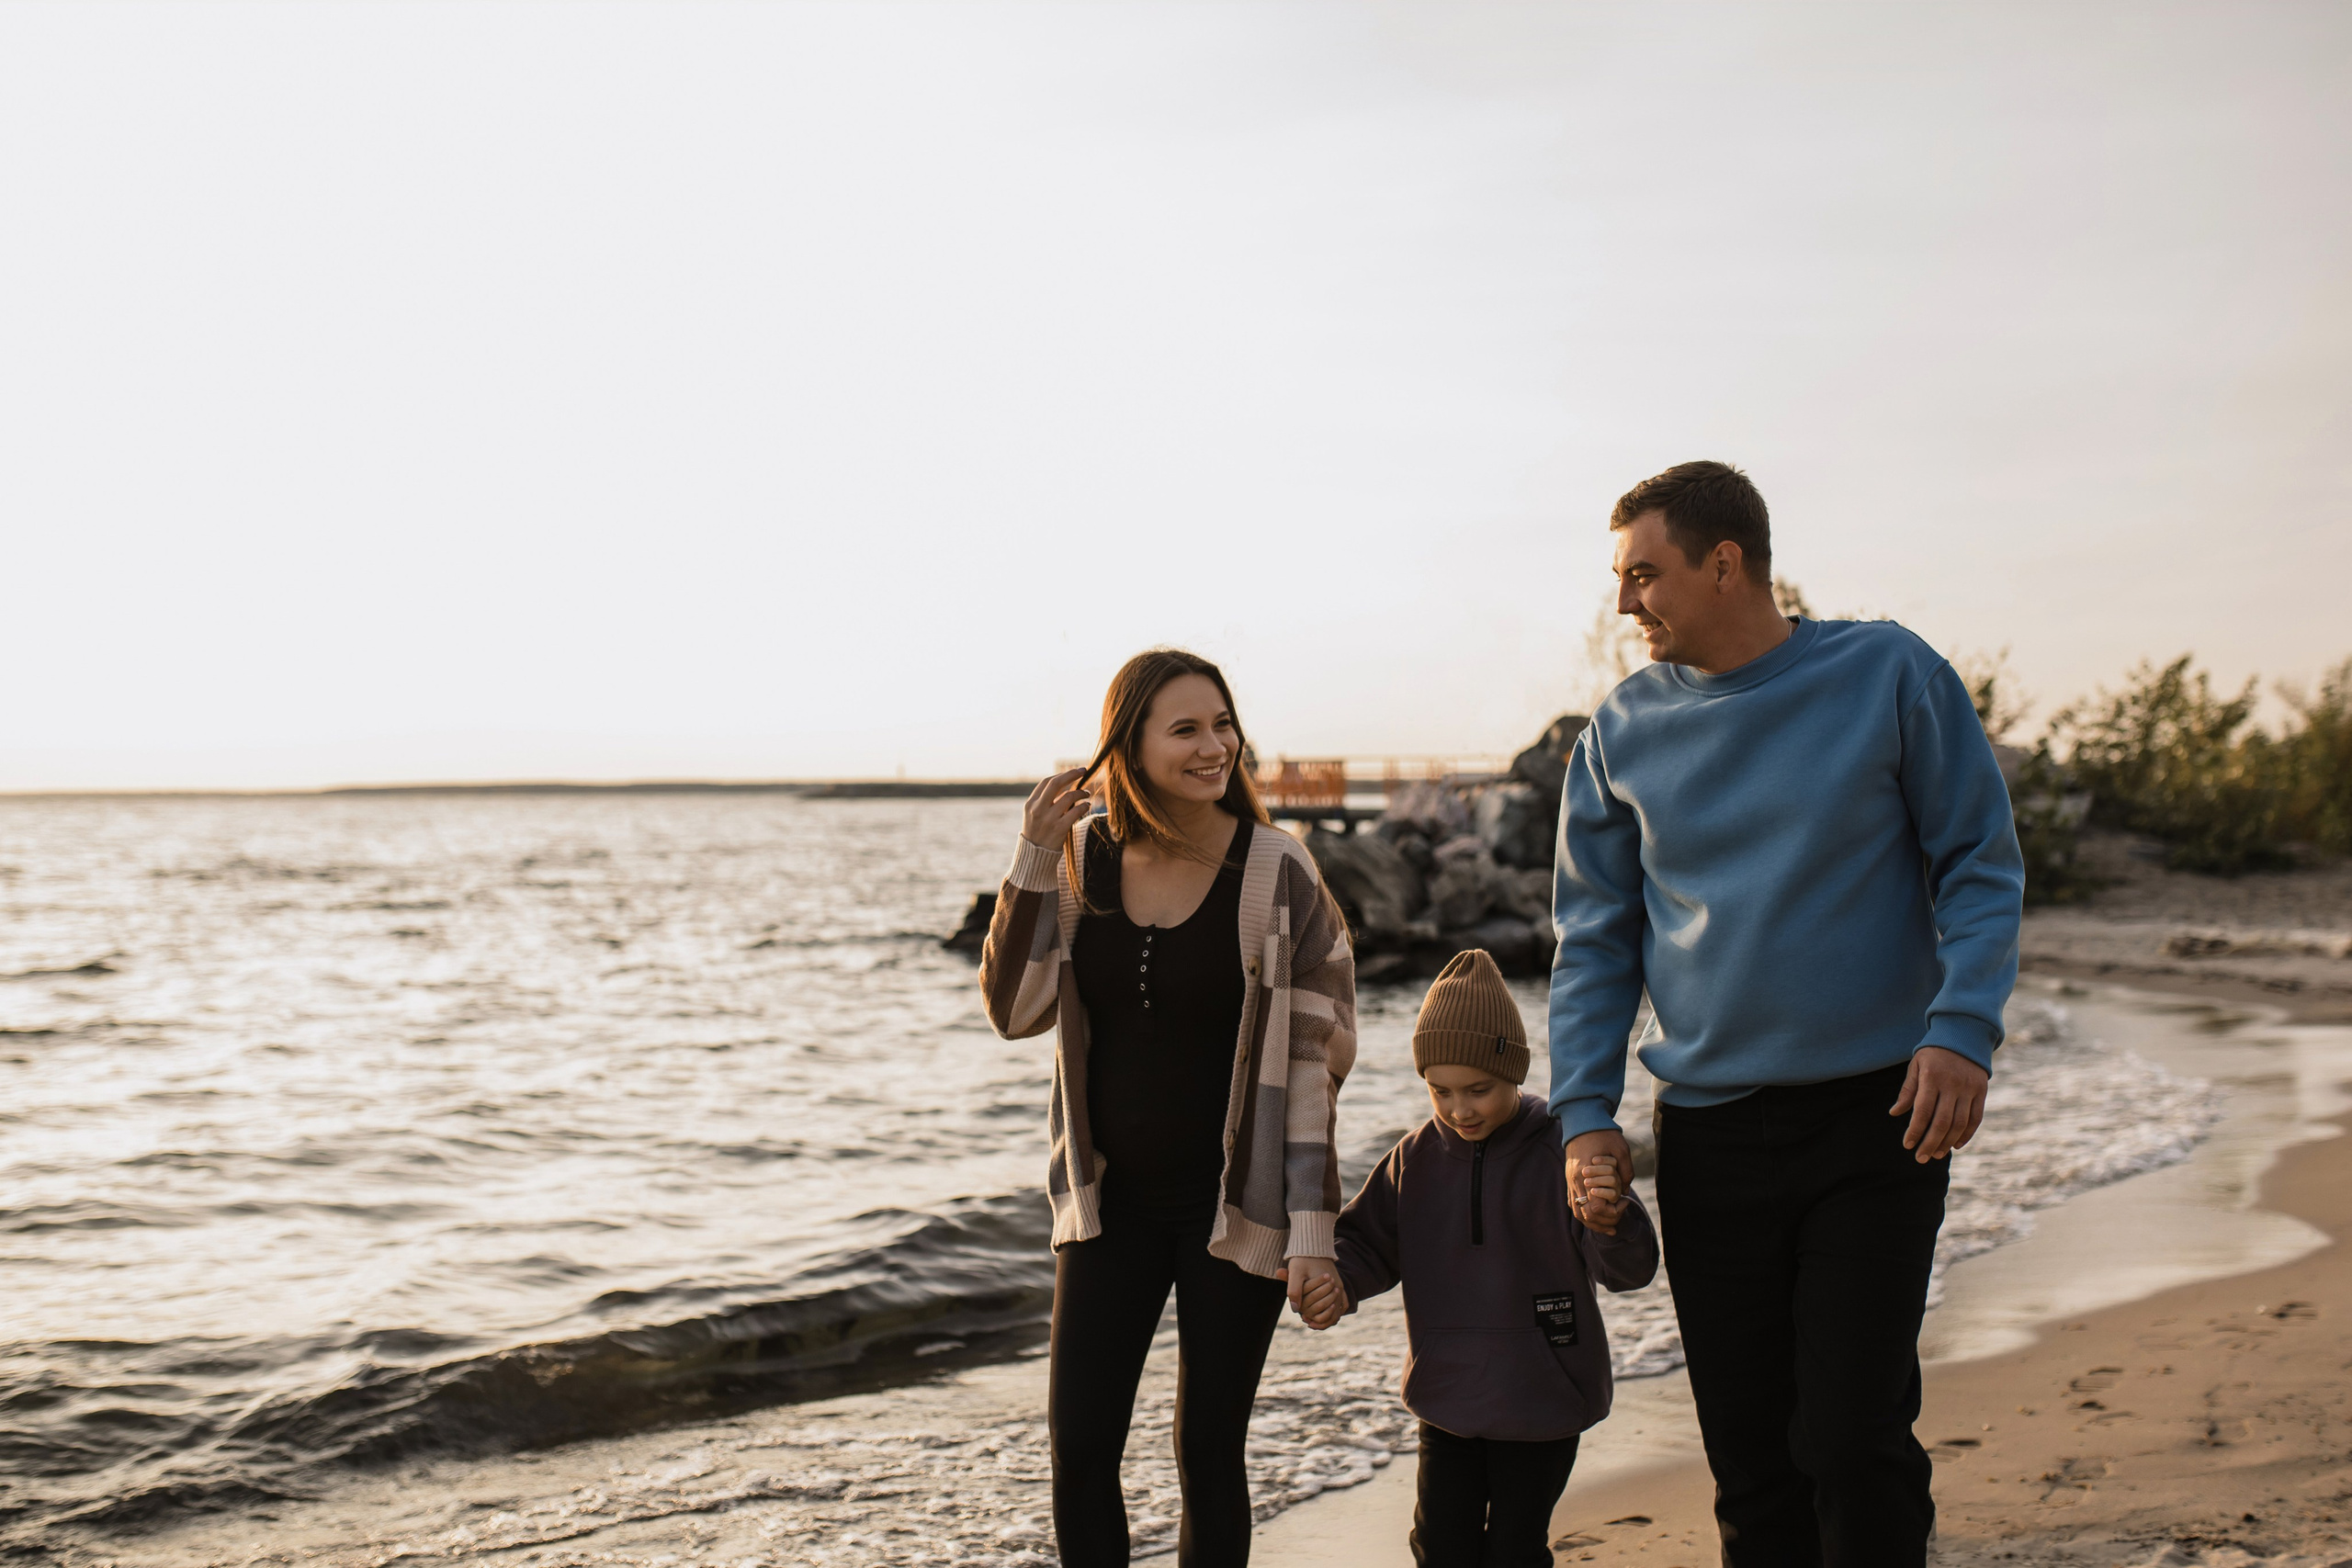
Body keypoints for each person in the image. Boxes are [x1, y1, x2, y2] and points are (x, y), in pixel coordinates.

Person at [1547, 460, 2025, 1567]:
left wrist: (1960, 1029)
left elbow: (1979, 866)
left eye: (1642, 575)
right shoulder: (1618, 732)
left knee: (1852, 1438)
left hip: (1879, 1117)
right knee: (1752, 1460)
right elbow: (1594, 945)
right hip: (1710, 1133)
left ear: (1725, 564)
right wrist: (1584, 1114)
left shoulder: (1889, 672)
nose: (1624, 604)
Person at [978, 648, 1358, 1568]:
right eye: (1185, 728)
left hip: (1233, 1208)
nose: (1212, 746)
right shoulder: (1077, 860)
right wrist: (1032, 856)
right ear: (1130, 743)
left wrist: (1311, 1230)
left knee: (1208, 1454)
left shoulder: (1275, 871)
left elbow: (1314, 1062)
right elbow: (1013, 1010)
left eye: (1222, 724)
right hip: (1108, 1207)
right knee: (1080, 1451)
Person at [1300, 948, 1657, 1567]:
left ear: (1513, 1071)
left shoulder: (1559, 1149)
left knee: (1515, 1550)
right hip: (1448, 1398)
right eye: (1440, 1090)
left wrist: (1611, 1217)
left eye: (1479, 1089)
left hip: (1543, 1397)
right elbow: (1363, 1244)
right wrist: (1338, 1282)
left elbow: (1628, 1270)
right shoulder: (1413, 1158)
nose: (1460, 1108)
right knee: (1440, 1544)